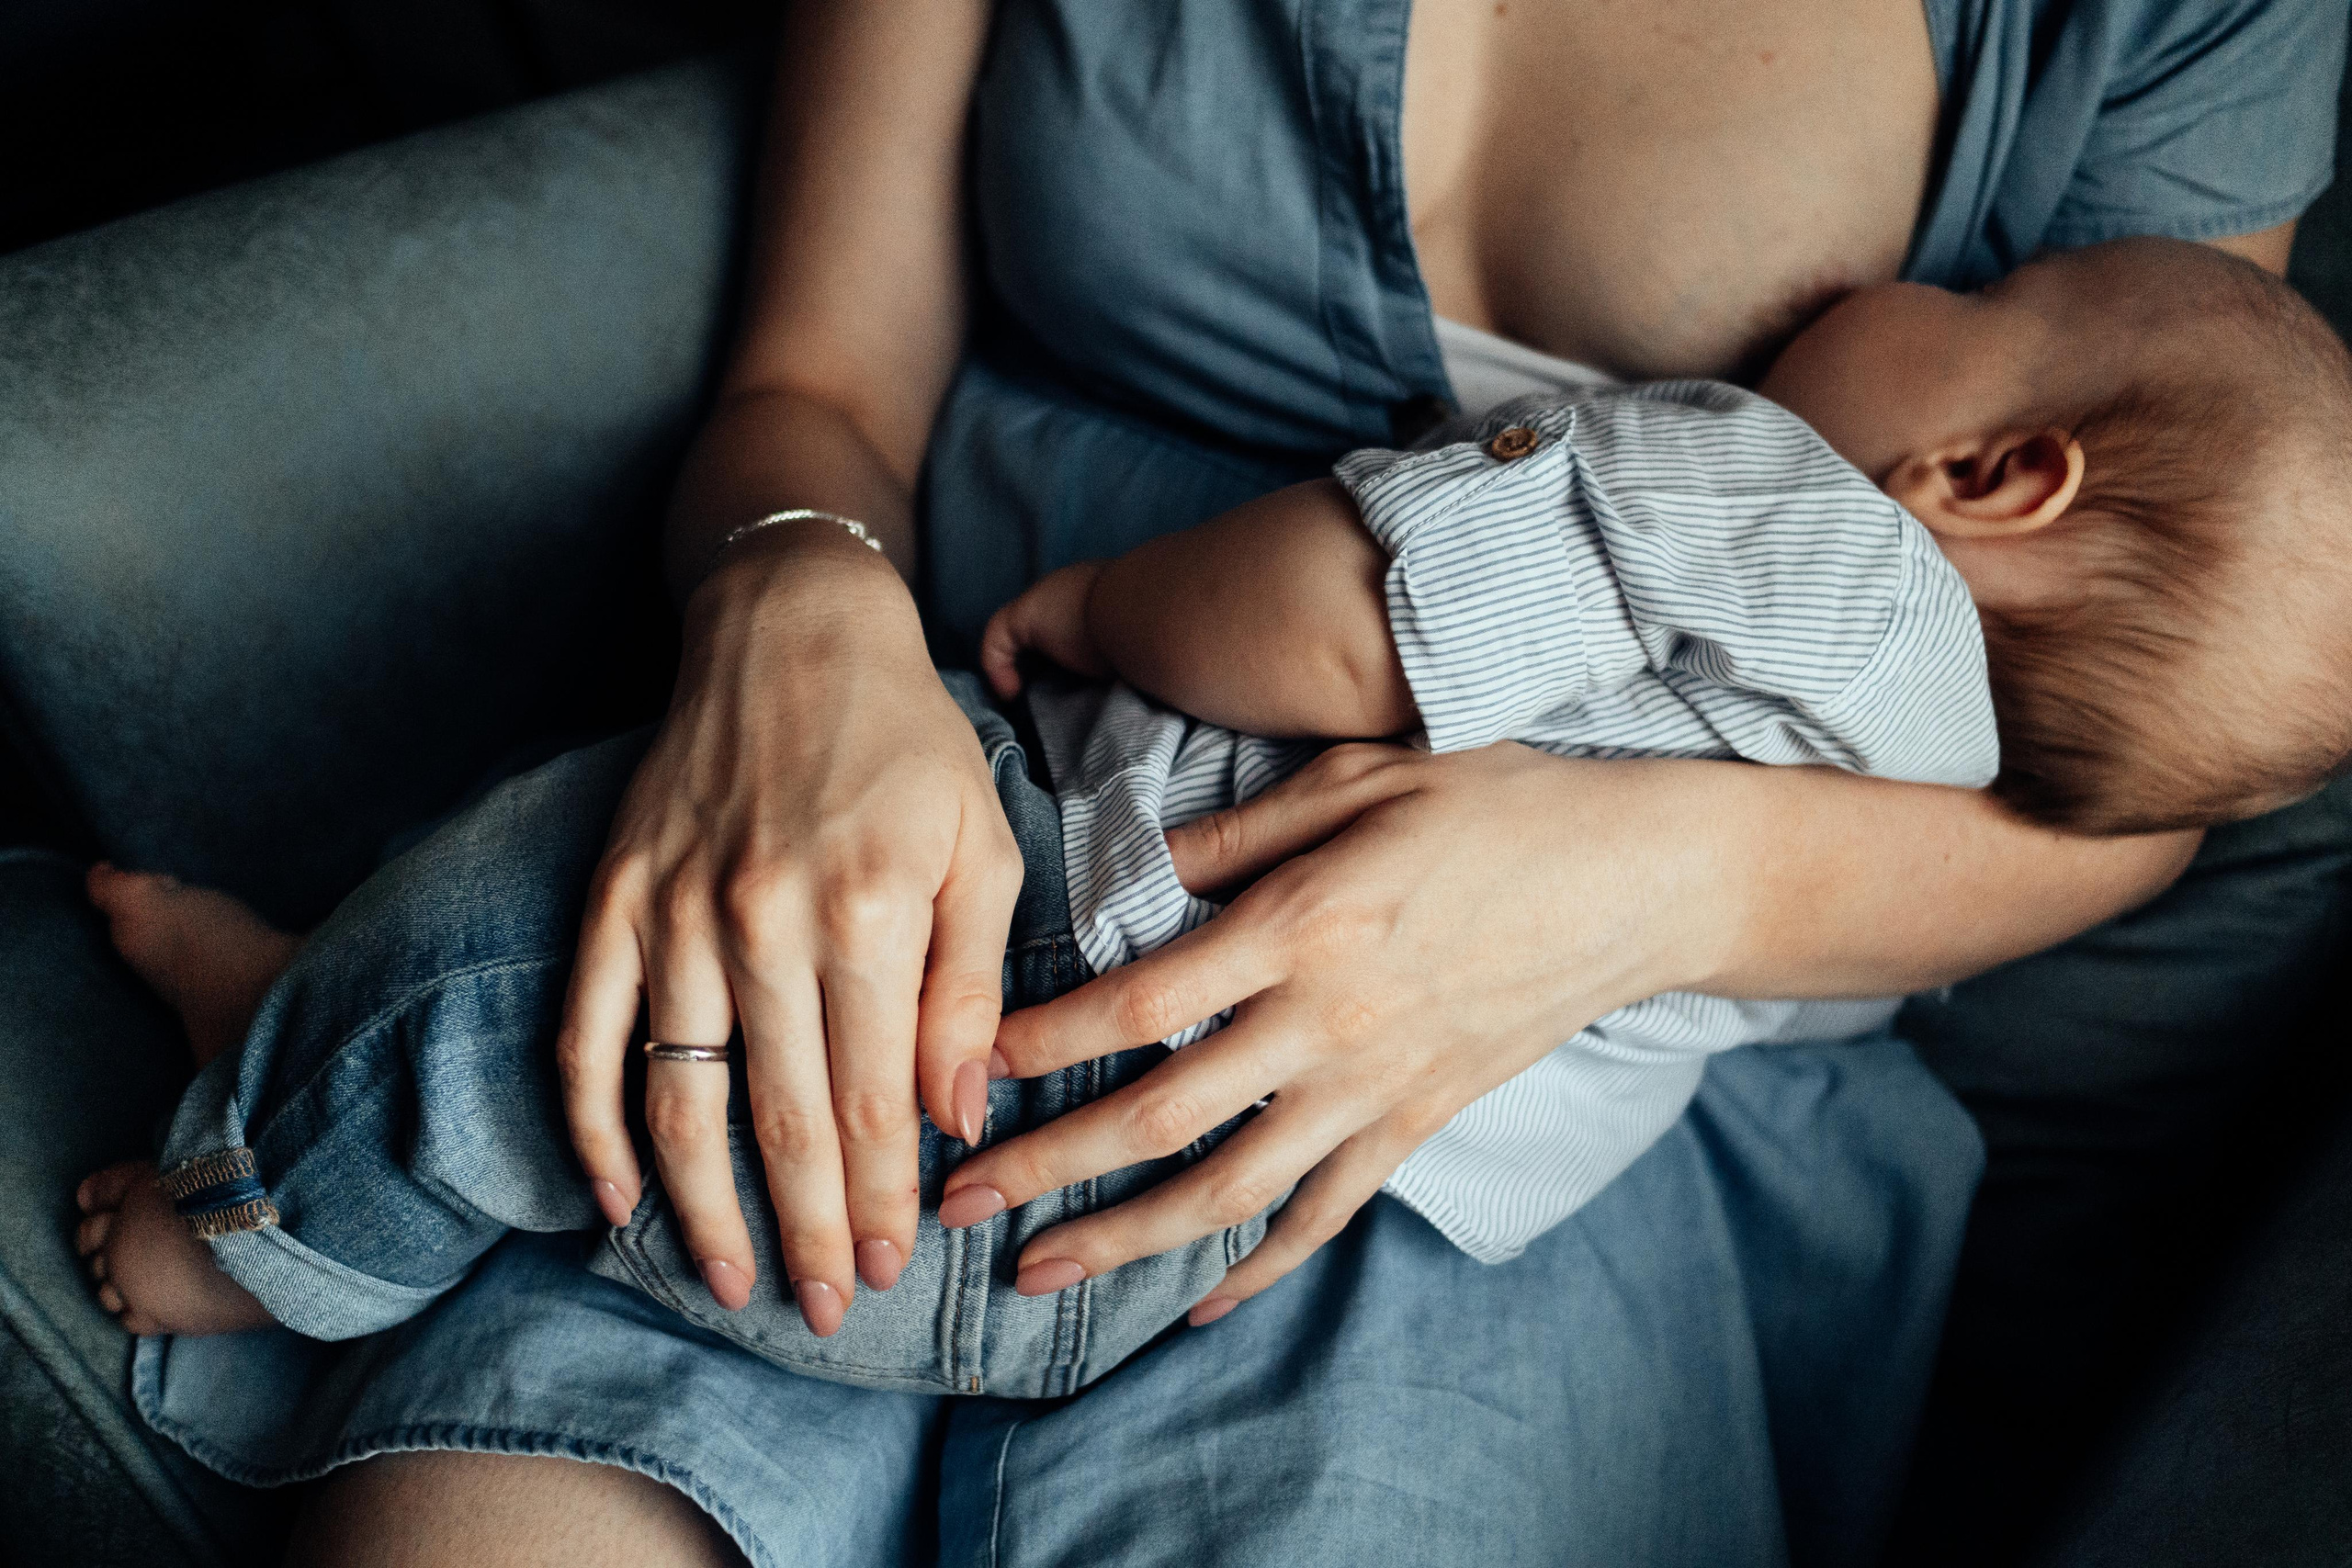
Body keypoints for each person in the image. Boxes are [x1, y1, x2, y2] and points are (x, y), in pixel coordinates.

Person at [57, 2, 2352, 1563]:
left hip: (1580, 1080)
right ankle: (328, 1122)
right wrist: (795, 602)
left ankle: (310, 1114)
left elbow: (2127, 756)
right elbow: (812, 385)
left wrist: (1619, 883)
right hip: (964, 784)